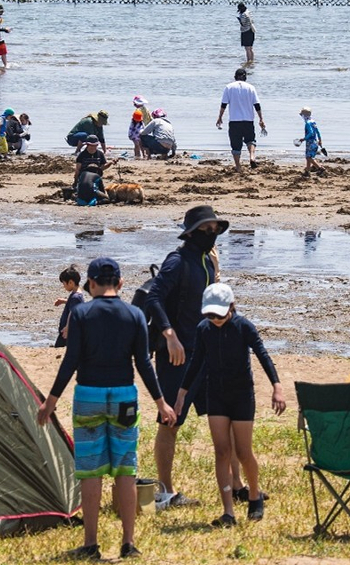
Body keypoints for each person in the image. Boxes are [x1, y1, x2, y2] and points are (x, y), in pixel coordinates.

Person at [36, 257, 177, 561]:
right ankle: (128, 543)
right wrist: (160, 401)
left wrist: (51, 401)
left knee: (91, 472)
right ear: (121, 283)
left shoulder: (82, 314)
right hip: (125, 396)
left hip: (89, 395)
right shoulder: (135, 315)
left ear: (91, 284)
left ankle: (91, 544)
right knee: (125, 470)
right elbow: (143, 363)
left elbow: (71, 360)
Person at [175, 283, 285, 526]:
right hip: (215, 394)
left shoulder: (244, 326)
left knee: (244, 452)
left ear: (231, 307)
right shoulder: (203, 329)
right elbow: (195, 363)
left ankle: (255, 496)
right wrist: (182, 393)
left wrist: (276, 386)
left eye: (219, 314)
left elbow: (262, 354)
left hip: (242, 394)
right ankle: (228, 511)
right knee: (222, 451)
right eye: (210, 314)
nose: (214, 319)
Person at [144, 205, 228, 507]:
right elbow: (154, 297)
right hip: (177, 355)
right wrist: (169, 335)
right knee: (170, 421)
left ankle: (237, 486)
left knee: (223, 415)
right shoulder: (177, 261)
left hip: (204, 351)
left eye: (215, 228)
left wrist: (217, 274)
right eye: (206, 229)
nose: (212, 234)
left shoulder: (206, 262)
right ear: (192, 233)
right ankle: (165, 491)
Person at [217, 68, 266, 173]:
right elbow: (257, 105)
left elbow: (224, 104)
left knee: (236, 145)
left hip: (234, 120)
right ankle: (252, 156)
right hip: (248, 120)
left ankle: (238, 167)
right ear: (245, 77)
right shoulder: (251, 88)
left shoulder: (229, 87)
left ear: (235, 77)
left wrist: (220, 117)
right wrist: (261, 119)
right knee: (250, 140)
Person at [54, 265, 85, 347]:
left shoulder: (75, 297)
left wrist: (67, 327)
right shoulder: (78, 294)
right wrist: (64, 301)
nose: (63, 286)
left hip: (67, 331)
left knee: (58, 349)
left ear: (71, 282)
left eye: (64, 283)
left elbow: (73, 313)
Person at [299, 107, 324, 175]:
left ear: (304, 115)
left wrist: (304, 139)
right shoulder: (313, 122)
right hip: (315, 142)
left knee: (309, 157)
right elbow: (317, 132)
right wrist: (320, 140)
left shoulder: (307, 123)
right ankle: (307, 171)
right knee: (308, 157)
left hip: (310, 143)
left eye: (302, 115)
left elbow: (311, 133)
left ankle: (319, 168)